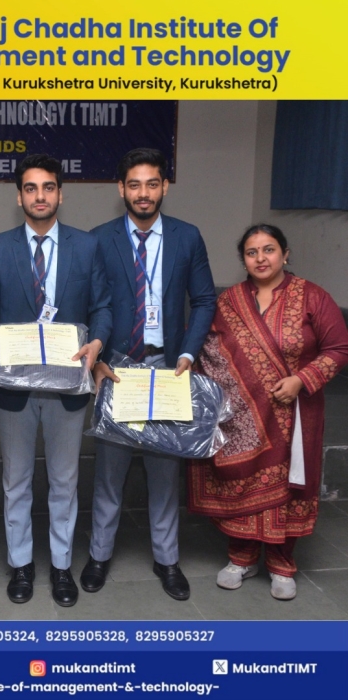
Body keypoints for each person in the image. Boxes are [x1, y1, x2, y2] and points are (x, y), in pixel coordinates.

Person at [0, 153, 111, 607]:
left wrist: (98, 343)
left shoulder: (86, 246)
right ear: (19, 197)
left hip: (67, 385)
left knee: (64, 482)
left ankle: (60, 565)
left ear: (60, 194)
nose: (40, 196)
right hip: (13, 389)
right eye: (30, 188)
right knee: (16, 480)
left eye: (48, 187)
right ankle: (21, 564)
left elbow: (103, 307)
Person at [82, 148, 216, 601]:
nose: (144, 193)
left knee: (164, 472)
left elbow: (204, 300)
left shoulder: (187, 237)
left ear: (165, 187)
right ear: (121, 188)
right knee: (110, 472)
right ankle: (99, 555)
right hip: (117, 368)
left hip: (167, 368)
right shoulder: (99, 239)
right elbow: (90, 306)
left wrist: (189, 354)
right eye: (135, 184)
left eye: (152, 184)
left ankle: (167, 559)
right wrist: (99, 358)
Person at [189, 224, 348, 600]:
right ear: (243, 259)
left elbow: (339, 348)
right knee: (242, 481)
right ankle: (241, 557)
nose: (261, 258)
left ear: (285, 254)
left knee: (288, 486)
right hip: (240, 418)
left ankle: (281, 563)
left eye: (269, 249)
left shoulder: (312, 296)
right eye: (252, 252)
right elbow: (207, 348)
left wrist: (302, 380)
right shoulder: (228, 302)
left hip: (295, 413)